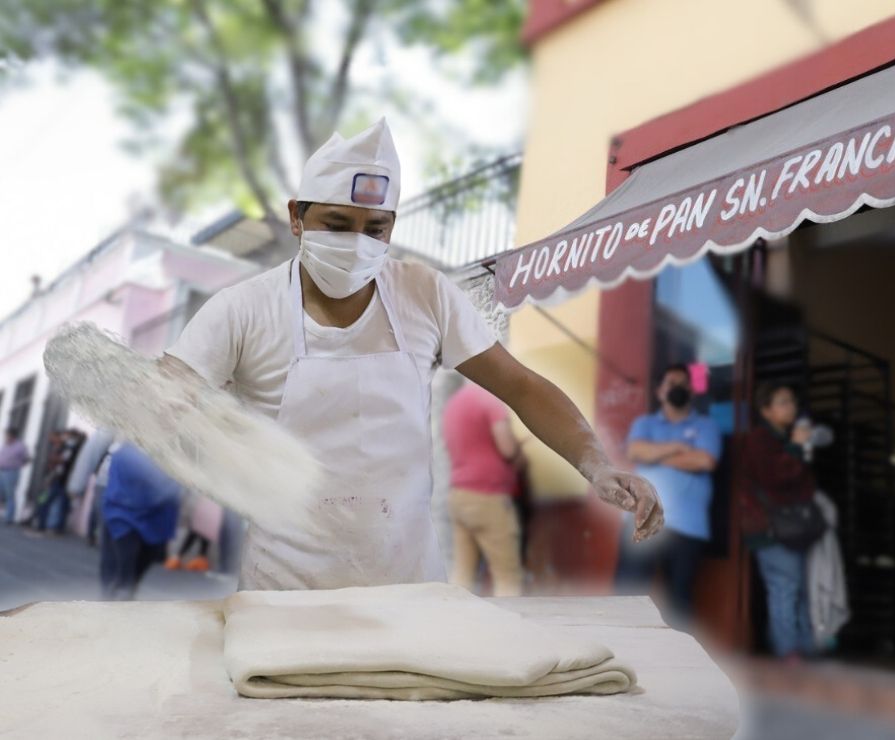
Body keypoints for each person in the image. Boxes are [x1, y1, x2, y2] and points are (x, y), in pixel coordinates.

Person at [161, 119, 663, 591]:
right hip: (284, 585)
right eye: (337, 224)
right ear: (296, 216)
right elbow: (166, 397)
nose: (356, 244)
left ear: (392, 227)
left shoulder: (425, 294)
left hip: (405, 582)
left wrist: (597, 465)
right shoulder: (242, 310)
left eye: (374, 229)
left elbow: (522, 387)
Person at [617, 364, 722, 626]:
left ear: (692, 391)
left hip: (687, 525)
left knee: (679, 605)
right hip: (642, 520)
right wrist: (677, 446)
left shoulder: (706, 425)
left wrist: (655, 455)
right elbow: (635, 452)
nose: (678, 388)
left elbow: (705, 461)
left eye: (684, 383)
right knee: (626, 597)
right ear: (659, 391)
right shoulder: (644, 423)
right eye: (671, 383)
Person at [742, 382, 825, 661]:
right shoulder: (760, 439)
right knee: (785, 589)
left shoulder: (782, 437)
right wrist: (796, 446)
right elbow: (776, 477)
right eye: (783, 402)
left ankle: (801, 649)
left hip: (789, 528)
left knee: (797, 589)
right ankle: (788, 653)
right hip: (770, 528)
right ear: (766, 410)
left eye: (792, 401)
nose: (791, 407)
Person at [443, 380, 526, 596]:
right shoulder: (491, 400)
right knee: (507, 577)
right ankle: (508, 619)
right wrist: (520, 451)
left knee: (462, 575)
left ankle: (453, 616)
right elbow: (507, 448)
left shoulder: (454, 403)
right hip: (488, 496)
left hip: (459, 494)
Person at [100, 443, 182, 600]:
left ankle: (116, 598)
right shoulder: (126, 453)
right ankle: (114, 602)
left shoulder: (172, 456)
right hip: (124, 518)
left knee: (135, 572)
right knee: (125, 574)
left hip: (155, 521)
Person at [0, 427, 31, 524]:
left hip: (11, 472)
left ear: (12, 435)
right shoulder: (6, 445)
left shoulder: (20, 446)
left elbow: (27, 459)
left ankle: (9, 517)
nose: (5, 437)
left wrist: (17, 465)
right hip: (2, 470)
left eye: (7, 435)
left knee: (10, 494)